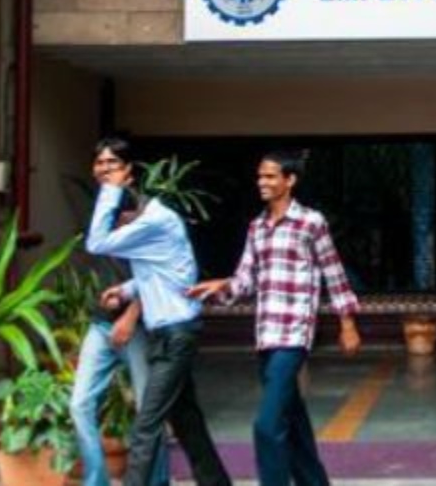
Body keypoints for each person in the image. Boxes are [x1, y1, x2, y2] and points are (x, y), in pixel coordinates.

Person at [189, 150, 361, 486]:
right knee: (293, 424)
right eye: (259, 176)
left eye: (269, 176)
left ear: (290, 180)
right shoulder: (257, 227)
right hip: (266, 335)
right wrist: (222, 286)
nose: (262, 182)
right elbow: (246, 279)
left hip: (294, 336)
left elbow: (334, 272)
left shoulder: (310, 222)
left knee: (267, 426)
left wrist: (348, 323)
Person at [85, 137, 231, 486]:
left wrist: (109, 191)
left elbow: (96, 242)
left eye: (121, 219)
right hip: (171, 333)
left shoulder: (155, 221)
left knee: (146, 425)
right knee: (188, 422)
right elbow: (164, 274)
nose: (121, 227)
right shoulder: (153, 222)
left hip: (175, 336)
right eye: (100, 164)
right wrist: (126, 290)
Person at [70, 138, 169, 486]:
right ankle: (96, 480)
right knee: (80, 404)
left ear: (129, 171)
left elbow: (158, 271)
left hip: (138, 326)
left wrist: (131, 315)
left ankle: (156, 482)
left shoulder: (143, 212)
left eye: (112, 163)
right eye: (100, 163)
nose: (104, 169)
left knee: (147, 410)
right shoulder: (100, 208)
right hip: (100, 325)